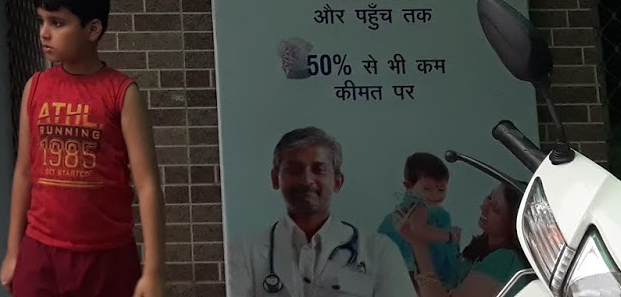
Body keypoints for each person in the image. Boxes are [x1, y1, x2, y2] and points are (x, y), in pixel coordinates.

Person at [0, 0, 166, 297]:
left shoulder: (121, 93)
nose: (44, 33)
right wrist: (13, 252)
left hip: (107, 257)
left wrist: (153, 272)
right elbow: (24, 173)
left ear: (92, 29)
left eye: (57, 23)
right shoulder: (36, 87)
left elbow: (148, 185)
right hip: (40, 252)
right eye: (42, 21)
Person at [226, 127, 412, 297]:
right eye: (294, 170)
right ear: (275, 179)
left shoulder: (379, 252)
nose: (307, 180)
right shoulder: (242, 254)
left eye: (319, 170)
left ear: (338, 182)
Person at [402, 182, 532, 297]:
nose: (484, 207)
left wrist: (418, 244)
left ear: (514, 223)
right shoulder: (477, 252)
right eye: (489, 197)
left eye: (496, 209)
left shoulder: (505, 260)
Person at [376, 152, 460, 282]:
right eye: (427, 189)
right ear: (408, 186)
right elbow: (418, 230)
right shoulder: (418, 205)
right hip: (411, 266)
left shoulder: (424, 209)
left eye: (441, 189)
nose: (435, 195)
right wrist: (450, 236)